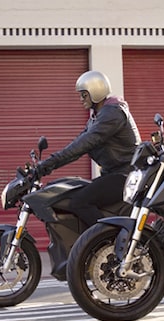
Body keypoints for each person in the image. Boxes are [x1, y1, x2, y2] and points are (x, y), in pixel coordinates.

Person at [35, 70, 140, 231]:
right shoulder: (98, 116)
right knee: (67, 191)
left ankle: (107, 240)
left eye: (84, 95)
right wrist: (47, 164)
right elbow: (78, 142)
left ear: (96, 91)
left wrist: (48, 164)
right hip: (113, 175)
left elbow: (82, 145)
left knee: (79, 202)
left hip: (125, 176)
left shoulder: (112, 114)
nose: (81, 100)